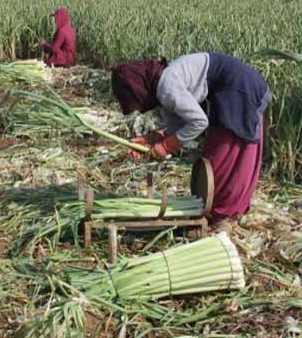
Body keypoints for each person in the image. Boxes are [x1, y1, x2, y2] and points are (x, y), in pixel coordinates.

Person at [111, 52, 272, 232]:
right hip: (237, 88)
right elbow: (178, 122)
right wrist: (153, 138)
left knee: (224, 158)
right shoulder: (164, 82)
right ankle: (222, 213)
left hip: (240, 90)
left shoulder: (166, 87)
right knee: (223, 156)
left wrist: (166, 146)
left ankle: (222, 217)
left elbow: (199, 122)